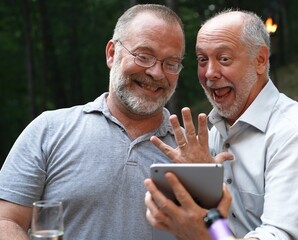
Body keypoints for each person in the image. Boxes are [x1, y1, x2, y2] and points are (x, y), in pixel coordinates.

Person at [144, 9, 298, 240]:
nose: (210, 73)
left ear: (260, 60)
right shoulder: (216, 134)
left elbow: (280, 235)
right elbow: (220, 228)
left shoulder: (297, 134)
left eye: (224, 59)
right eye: (203, 60)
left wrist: (204, 235)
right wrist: (197, 191)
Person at [0, 4, 186, 239]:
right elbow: (6, 219)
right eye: (144, 56)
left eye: (170, 63)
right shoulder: (49, 130)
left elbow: (216, 231)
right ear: (111, 53)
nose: (156, 73)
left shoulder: (192, 150)